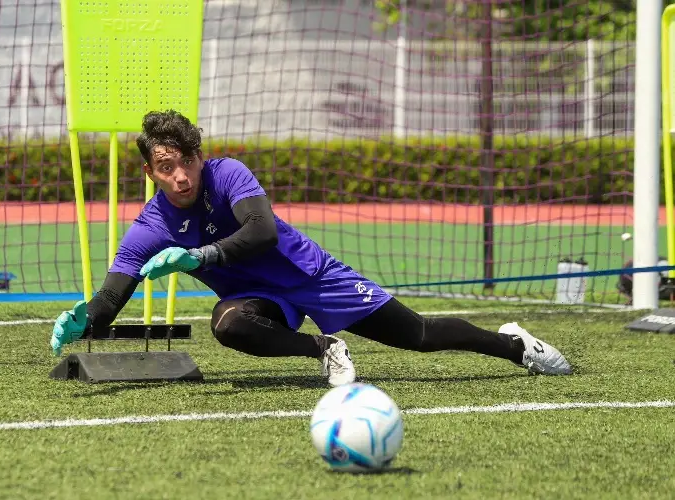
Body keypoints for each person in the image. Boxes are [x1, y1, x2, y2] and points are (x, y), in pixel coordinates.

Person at [50, 110, 573, 386]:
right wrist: (85, 316)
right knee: (227, 324)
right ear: (151, 171)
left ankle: (516, 346)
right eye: (166, 167)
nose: (180, 175)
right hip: (258, 297)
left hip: (313, 276)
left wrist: (199, 257)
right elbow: (112, 294)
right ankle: (325, 350)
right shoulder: (150, 225)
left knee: (419, 335)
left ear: (199, 155)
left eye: (186, 160)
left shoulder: (229, 174)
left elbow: (262, 233)